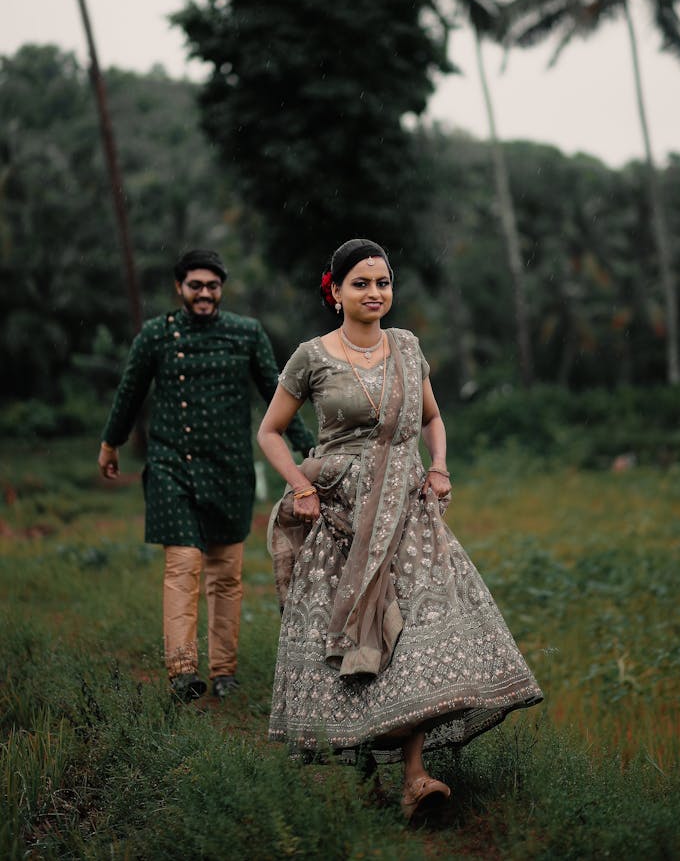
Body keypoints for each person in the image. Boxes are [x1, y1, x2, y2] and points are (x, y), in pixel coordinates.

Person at [257, 237, 543, 820]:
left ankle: (415, 778)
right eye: (361, 283)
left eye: (383, 282)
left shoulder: (408, 350)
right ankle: (366, 759)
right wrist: (302, 487)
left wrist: (438, 468)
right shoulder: (312, 356)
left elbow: (433, 419)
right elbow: (269, 432)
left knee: (407, 633)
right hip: (339, 516)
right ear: (334, 292)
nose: (375, 293)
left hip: (408, 515)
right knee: (355, 640)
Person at [98, 249, 315, 702]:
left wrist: (305, 444)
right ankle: (181, 671)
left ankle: (223, 672)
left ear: (221, 289)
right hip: (171, 467)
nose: (204, 294)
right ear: (179, 288)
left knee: (226, 573)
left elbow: (276, 392)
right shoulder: (156, 335)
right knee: (182, 565)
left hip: (229, 468)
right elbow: (130, 390)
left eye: (212, 286)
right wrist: (110, 442)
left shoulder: (245, 333)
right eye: (195, 285)